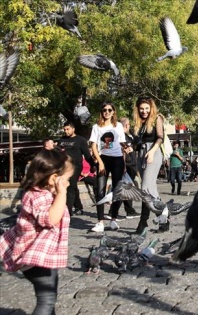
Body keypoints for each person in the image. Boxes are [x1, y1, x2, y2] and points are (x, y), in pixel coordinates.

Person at [0, 148, 73, 315]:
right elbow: (51, 219)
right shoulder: (39, 196)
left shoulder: (41, 193)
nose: (69, 183)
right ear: (55, 178)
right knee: (46, 301)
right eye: (67, 180)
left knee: (49, 298)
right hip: (35, 258)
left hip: (41, 255)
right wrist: (62, 193)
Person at [89, 101, 127, 232]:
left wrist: (126, 156)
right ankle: (100, 222)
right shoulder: (96, 126)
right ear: (101, 112)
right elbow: (93, 145)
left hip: (117, 160)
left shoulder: (118, 126)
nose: (107, 112)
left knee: (117, 190)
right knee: (100, 190)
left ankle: (113, 219)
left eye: (109, 110)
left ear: (113, 112)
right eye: (104, 110)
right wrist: (99, 162)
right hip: (103, 159)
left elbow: (122, 143)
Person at [132, 96, 165, 234]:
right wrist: (131, 148)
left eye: (147, 108)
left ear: (151, 108)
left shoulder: (157, 118)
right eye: (141, 109)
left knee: (145, 188)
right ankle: (163, 218)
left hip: (154, 152)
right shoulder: (138, 122)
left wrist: (151, 151)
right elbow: (137, 142)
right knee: (151, 190)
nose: (144, 111)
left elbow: (160, 137)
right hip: (141, 155)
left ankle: (143, 221)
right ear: (137, 109)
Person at [58, 121, 95, 217]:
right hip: (64, 167)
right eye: (64, 129)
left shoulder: (80, 140)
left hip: (76, 166)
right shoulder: (62, 140)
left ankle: (67, 212)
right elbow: (57, 153)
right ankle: (78, 207)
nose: (66, 131)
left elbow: (87, 154)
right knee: (72, 186)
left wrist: (93, 165)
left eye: (68, 129)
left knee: (70, 186)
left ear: (73, 129)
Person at [120, 117, 140, 218]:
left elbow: (137, 141)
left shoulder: (128, 136)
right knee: (126, 188)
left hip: (131, 164)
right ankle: (129, 210)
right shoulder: (121, 137)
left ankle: (129, 210)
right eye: (129, 125)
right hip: (126, 165)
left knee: (127, 188)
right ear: (126, 125)